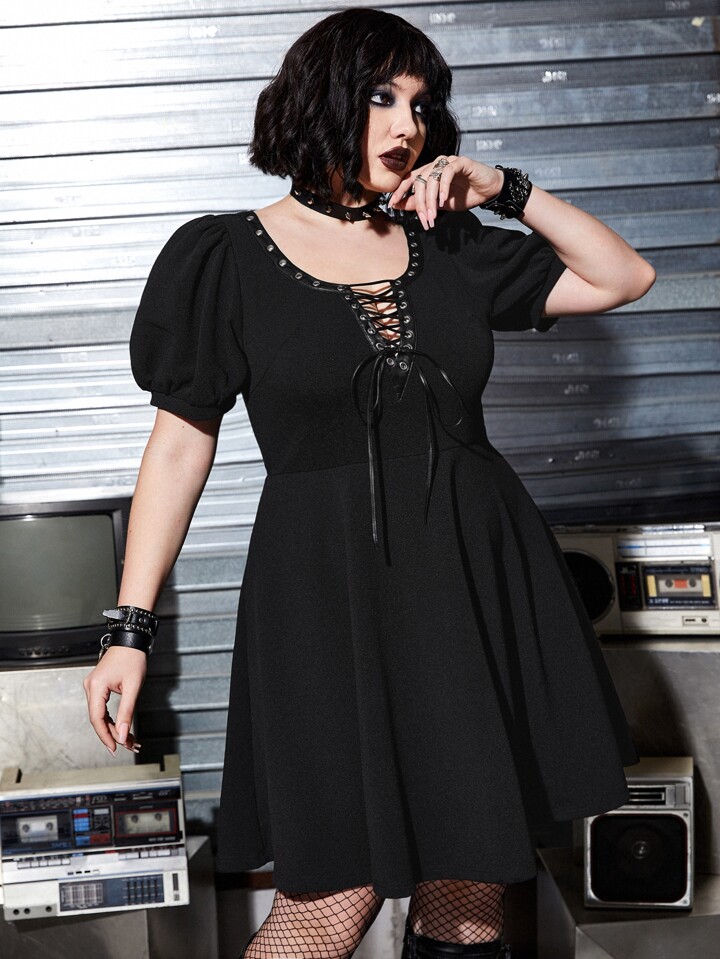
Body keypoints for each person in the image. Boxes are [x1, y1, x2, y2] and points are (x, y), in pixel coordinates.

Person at [83, 8, 654, 959]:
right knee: (330, 900)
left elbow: (622, 275)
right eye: (382, 97)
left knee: (470, 895)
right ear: (321, 102)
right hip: (326, 602)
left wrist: (505, 187)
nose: (407, 125)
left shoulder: (450, 243)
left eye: (423, 104)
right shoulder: (224, 256)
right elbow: (180, 445)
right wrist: (129, 629)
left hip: (473, 588)